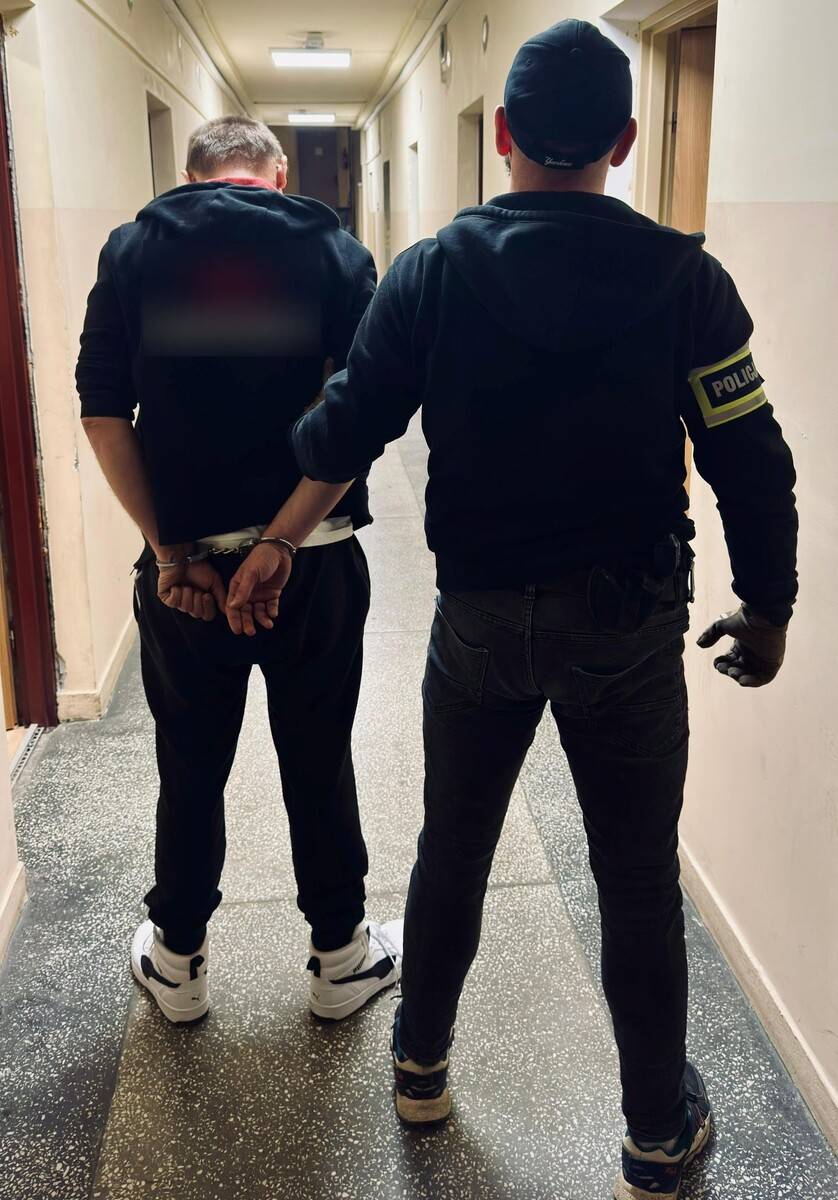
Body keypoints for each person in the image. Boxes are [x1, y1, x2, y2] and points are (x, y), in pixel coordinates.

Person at [289, 20, 798, 1200]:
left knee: (453, 848)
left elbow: (341, 431)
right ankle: (656, 1135)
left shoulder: (430, 272)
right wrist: (766, 602)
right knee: (634, 877)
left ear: (505, 134)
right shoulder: (686, 279)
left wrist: (273, 486)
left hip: (474, 622)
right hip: (625, 629)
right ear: (623, 141)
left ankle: (419, 1068)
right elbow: (750, 457)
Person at [76, 115, 402, 1028]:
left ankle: (177, 963)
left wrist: (172, 550)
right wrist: (280, 543)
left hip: (188, 580)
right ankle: (341, 958)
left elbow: (103, 414)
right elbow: (359, 416)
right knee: (318, 755)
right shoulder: (337, 253)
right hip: (315, 562)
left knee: (190, 762)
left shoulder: (132, 251)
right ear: (279, 171)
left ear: (191, 176)